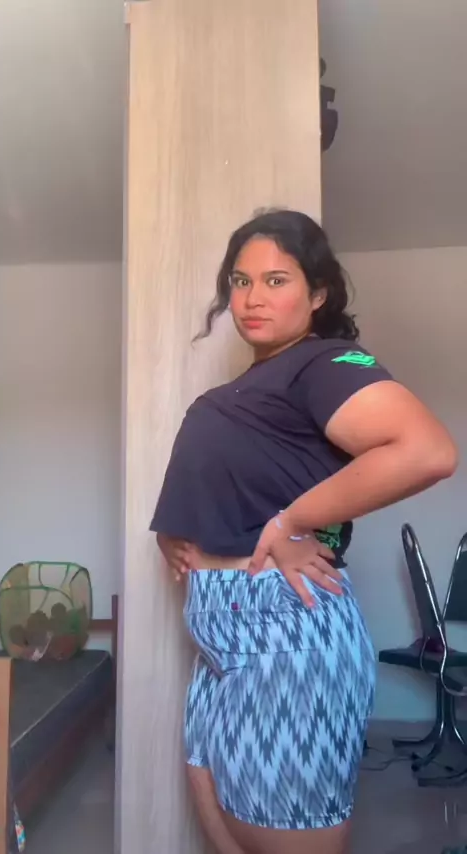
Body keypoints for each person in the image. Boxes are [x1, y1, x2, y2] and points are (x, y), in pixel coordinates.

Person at [150, 209, 458, 854]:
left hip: (285, 630)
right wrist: (173, 536)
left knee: (286, 838)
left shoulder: (323, 362)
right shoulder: (255, 384)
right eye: (241, 281)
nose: (252, 298)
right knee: (223, 818)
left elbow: (426, 451)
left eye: (276, 280)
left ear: (317, 294)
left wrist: (293, 521)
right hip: (224, 637)